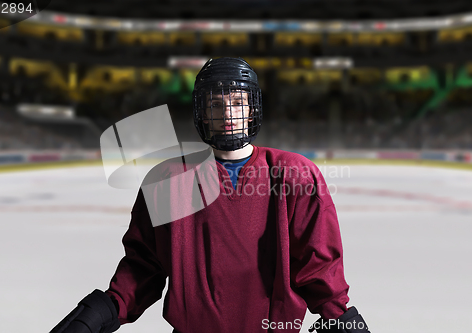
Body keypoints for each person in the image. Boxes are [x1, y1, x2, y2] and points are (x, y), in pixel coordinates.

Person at [50, 58, 370, 333]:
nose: (228, 112)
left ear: (251, 108)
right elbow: (143, 265)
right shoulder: (168, 179)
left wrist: (343, 320)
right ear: (202, 113)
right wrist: (99, 312)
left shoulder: (294, 173)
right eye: (216, 104)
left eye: (237, 102)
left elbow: (318, 267)